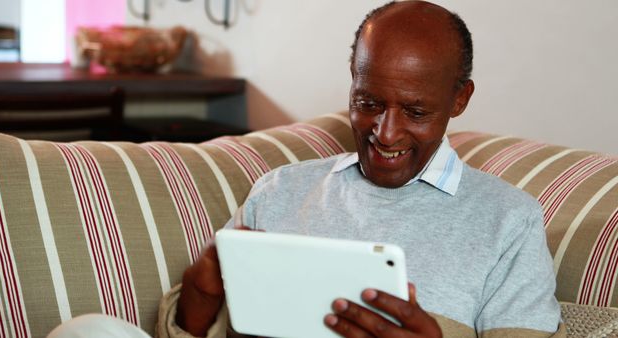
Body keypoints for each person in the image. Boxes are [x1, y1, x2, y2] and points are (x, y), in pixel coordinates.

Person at [49, 1, 565, 337]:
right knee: (89, 331)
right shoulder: (281, 189)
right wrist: (201, 294)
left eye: (414, 111)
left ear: (460, 100)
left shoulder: (508, 220)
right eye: (367, 102)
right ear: (351, 82)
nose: (384, 133)